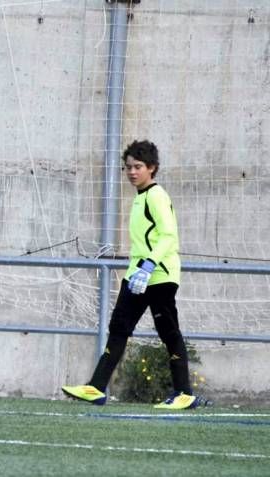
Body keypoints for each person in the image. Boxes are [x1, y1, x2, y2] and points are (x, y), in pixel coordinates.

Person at [62, 140, 203, 410]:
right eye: (128, 167)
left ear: (152, 168)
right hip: (137, 275)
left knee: (168, 332)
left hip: (159, 275)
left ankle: (184, 393)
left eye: (138, 167)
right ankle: (96, 387)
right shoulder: (140, 198)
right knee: (118, 328)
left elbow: (169, 236)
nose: (132, 172)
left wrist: (150, 265)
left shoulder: (156, 195)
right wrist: (139, 270)